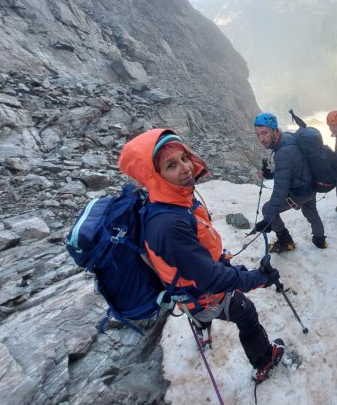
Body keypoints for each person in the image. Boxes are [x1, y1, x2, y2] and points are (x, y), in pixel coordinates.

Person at [118, 128, 284, 383]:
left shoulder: (167, 203)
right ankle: (264, 361)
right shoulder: (168, 224)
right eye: (171, 165)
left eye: (184, 158)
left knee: (198, 309)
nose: (185, 167)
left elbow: (193, 259)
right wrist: (258, 278)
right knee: (246, 312)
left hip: (186, 291)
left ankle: (202, 330)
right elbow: (211, 279)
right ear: (155, 176)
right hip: (204, 293)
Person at [252, 112, 328, 251]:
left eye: (264, 133)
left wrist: (268, 219)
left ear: (274, 130)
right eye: (258, 134)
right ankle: (320, 240)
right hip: (310, 185)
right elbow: (291, 170)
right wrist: (271, 175)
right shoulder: (288, 138)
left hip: (299, 192)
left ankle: (286, 242)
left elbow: (280, 191)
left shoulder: (283, 152)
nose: (261, 138)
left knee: (267, 209)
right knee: (311, 212)